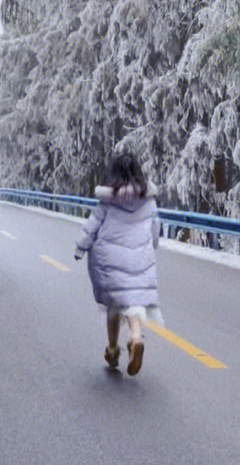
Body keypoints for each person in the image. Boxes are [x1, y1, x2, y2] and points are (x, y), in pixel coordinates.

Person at [74, 151, 160, 375]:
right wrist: (153, 245)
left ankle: (113, 349)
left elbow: (93, 225)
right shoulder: (148, 200)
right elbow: (155, 227)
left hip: (110, 257)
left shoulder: (107, 200)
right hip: (139, 257)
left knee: (114, 304)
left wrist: (81, 247)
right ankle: (135, 337)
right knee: (134, 301)